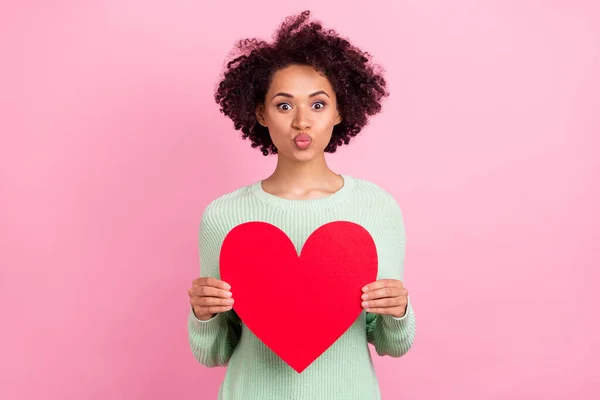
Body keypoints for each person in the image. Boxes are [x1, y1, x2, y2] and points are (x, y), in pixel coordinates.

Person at [187, 10, 416, 400]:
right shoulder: (223, 217)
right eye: (284, 105)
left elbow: (392, 344)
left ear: (340, 111)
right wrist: (204, 316)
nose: (301, 123)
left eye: (317, 104)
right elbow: (214, 353)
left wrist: (399, 312)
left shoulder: (377, 209)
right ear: (260, 113)